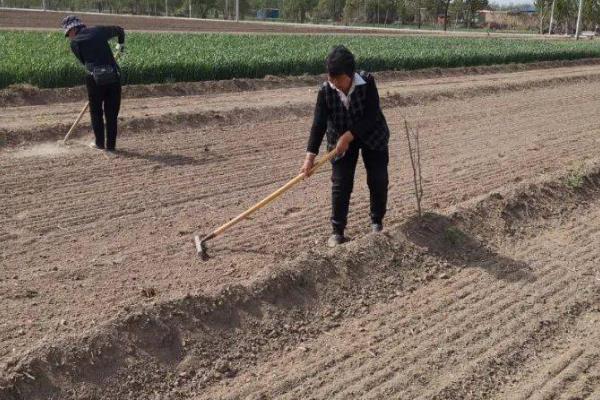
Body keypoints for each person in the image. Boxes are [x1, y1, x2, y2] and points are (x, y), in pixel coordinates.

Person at [301, 45, 390, 248]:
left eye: (339, 80)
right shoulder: (326, 91)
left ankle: (377, 222)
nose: (335, 84)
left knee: (377, 178)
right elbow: (319, 124)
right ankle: (337, 231)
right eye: (332, 80)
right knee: (341, 184)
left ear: (350, 75)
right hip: (339, 138)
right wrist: (309, 158)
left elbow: (371, 115)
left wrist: (349, 136)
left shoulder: (367, 82)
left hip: (372, 134)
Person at [62, 16, 125, 153]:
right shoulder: (98, 30)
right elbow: (120, 30)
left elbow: (85, 62)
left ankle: (99, 143)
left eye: (68, 33)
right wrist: (120, 47)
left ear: (74, 28)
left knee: (96, 112)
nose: (69, 37)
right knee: (111, 113)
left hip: (94, 80)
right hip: (113, 76)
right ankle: (111, 146)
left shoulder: (75, 44)